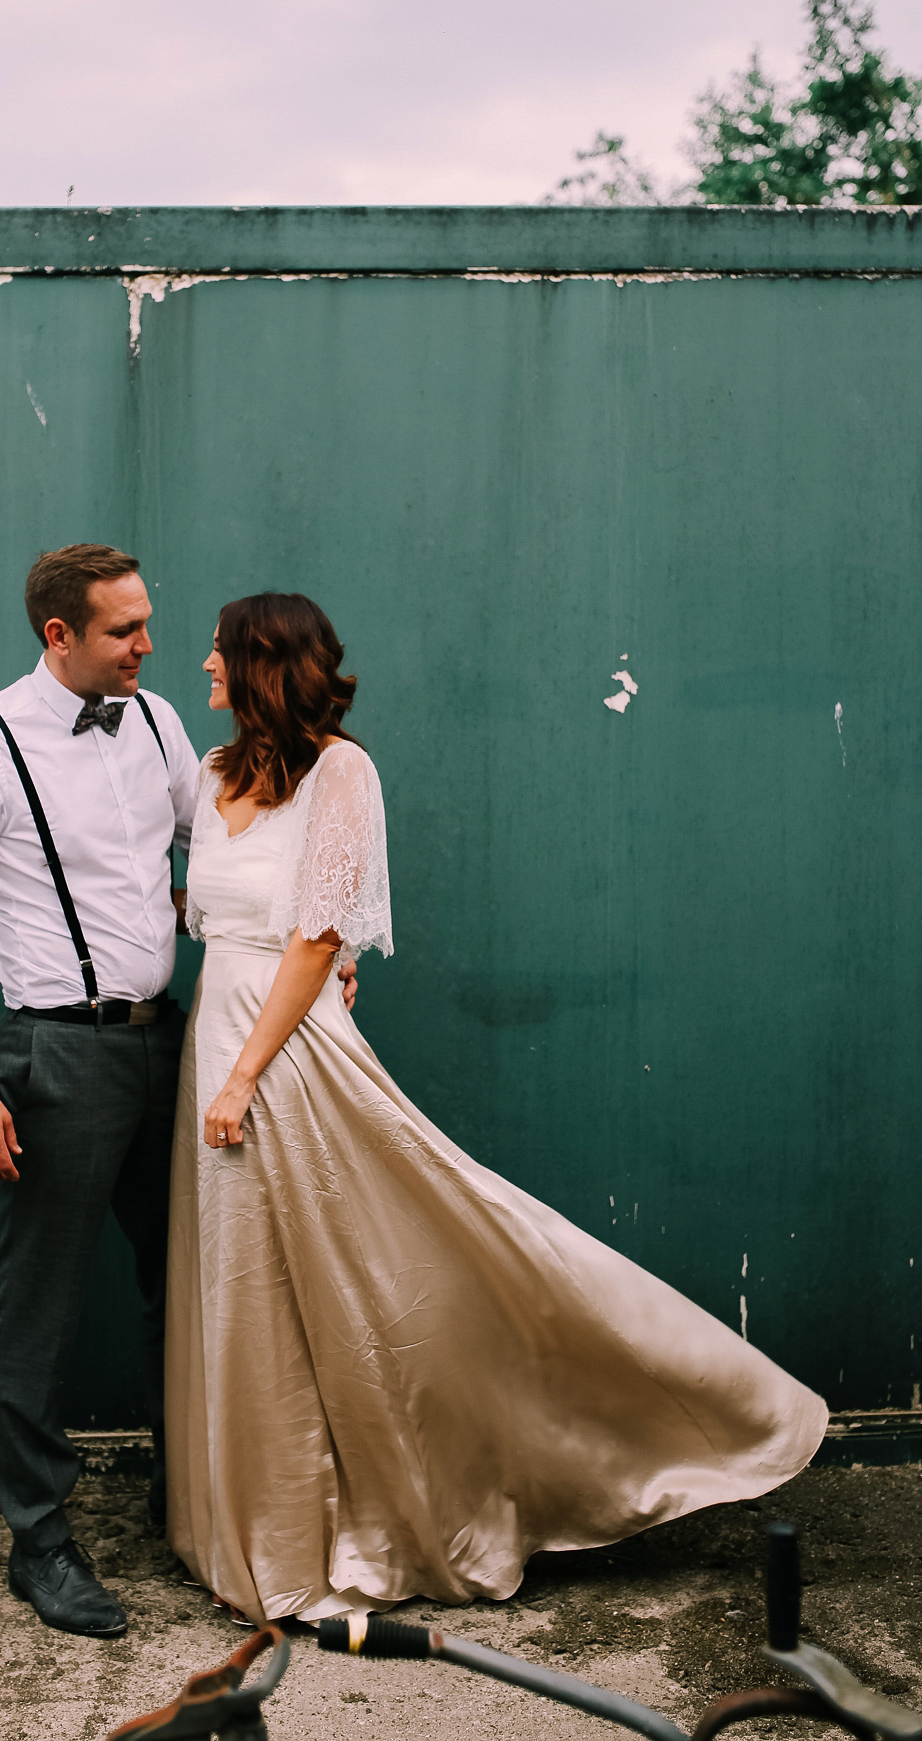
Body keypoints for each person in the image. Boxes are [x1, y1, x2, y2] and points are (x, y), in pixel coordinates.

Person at [165, 591, 829, 1628]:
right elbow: (209, 914)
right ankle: (259, 1527)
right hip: (220, 1029)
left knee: (398, 1254)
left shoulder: (345, 771)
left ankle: (686, 1410)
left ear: (259, 665)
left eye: (215, 652)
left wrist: (247, 1070)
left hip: (281, 1051)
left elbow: (315, 934)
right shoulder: (209, 777)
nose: (199, 665)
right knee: (247, 1277)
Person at [0, 546, 353, 1640]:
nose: (149, 646)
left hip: (174, 1049)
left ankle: (183, 1498)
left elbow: (230, 845)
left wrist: (328, 935)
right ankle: (40, 1541)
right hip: (54, 1055)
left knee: (191, 1282)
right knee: (38, 1310)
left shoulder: (151, 725)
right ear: (60, 635)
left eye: (149, 625)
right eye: (123, 632)